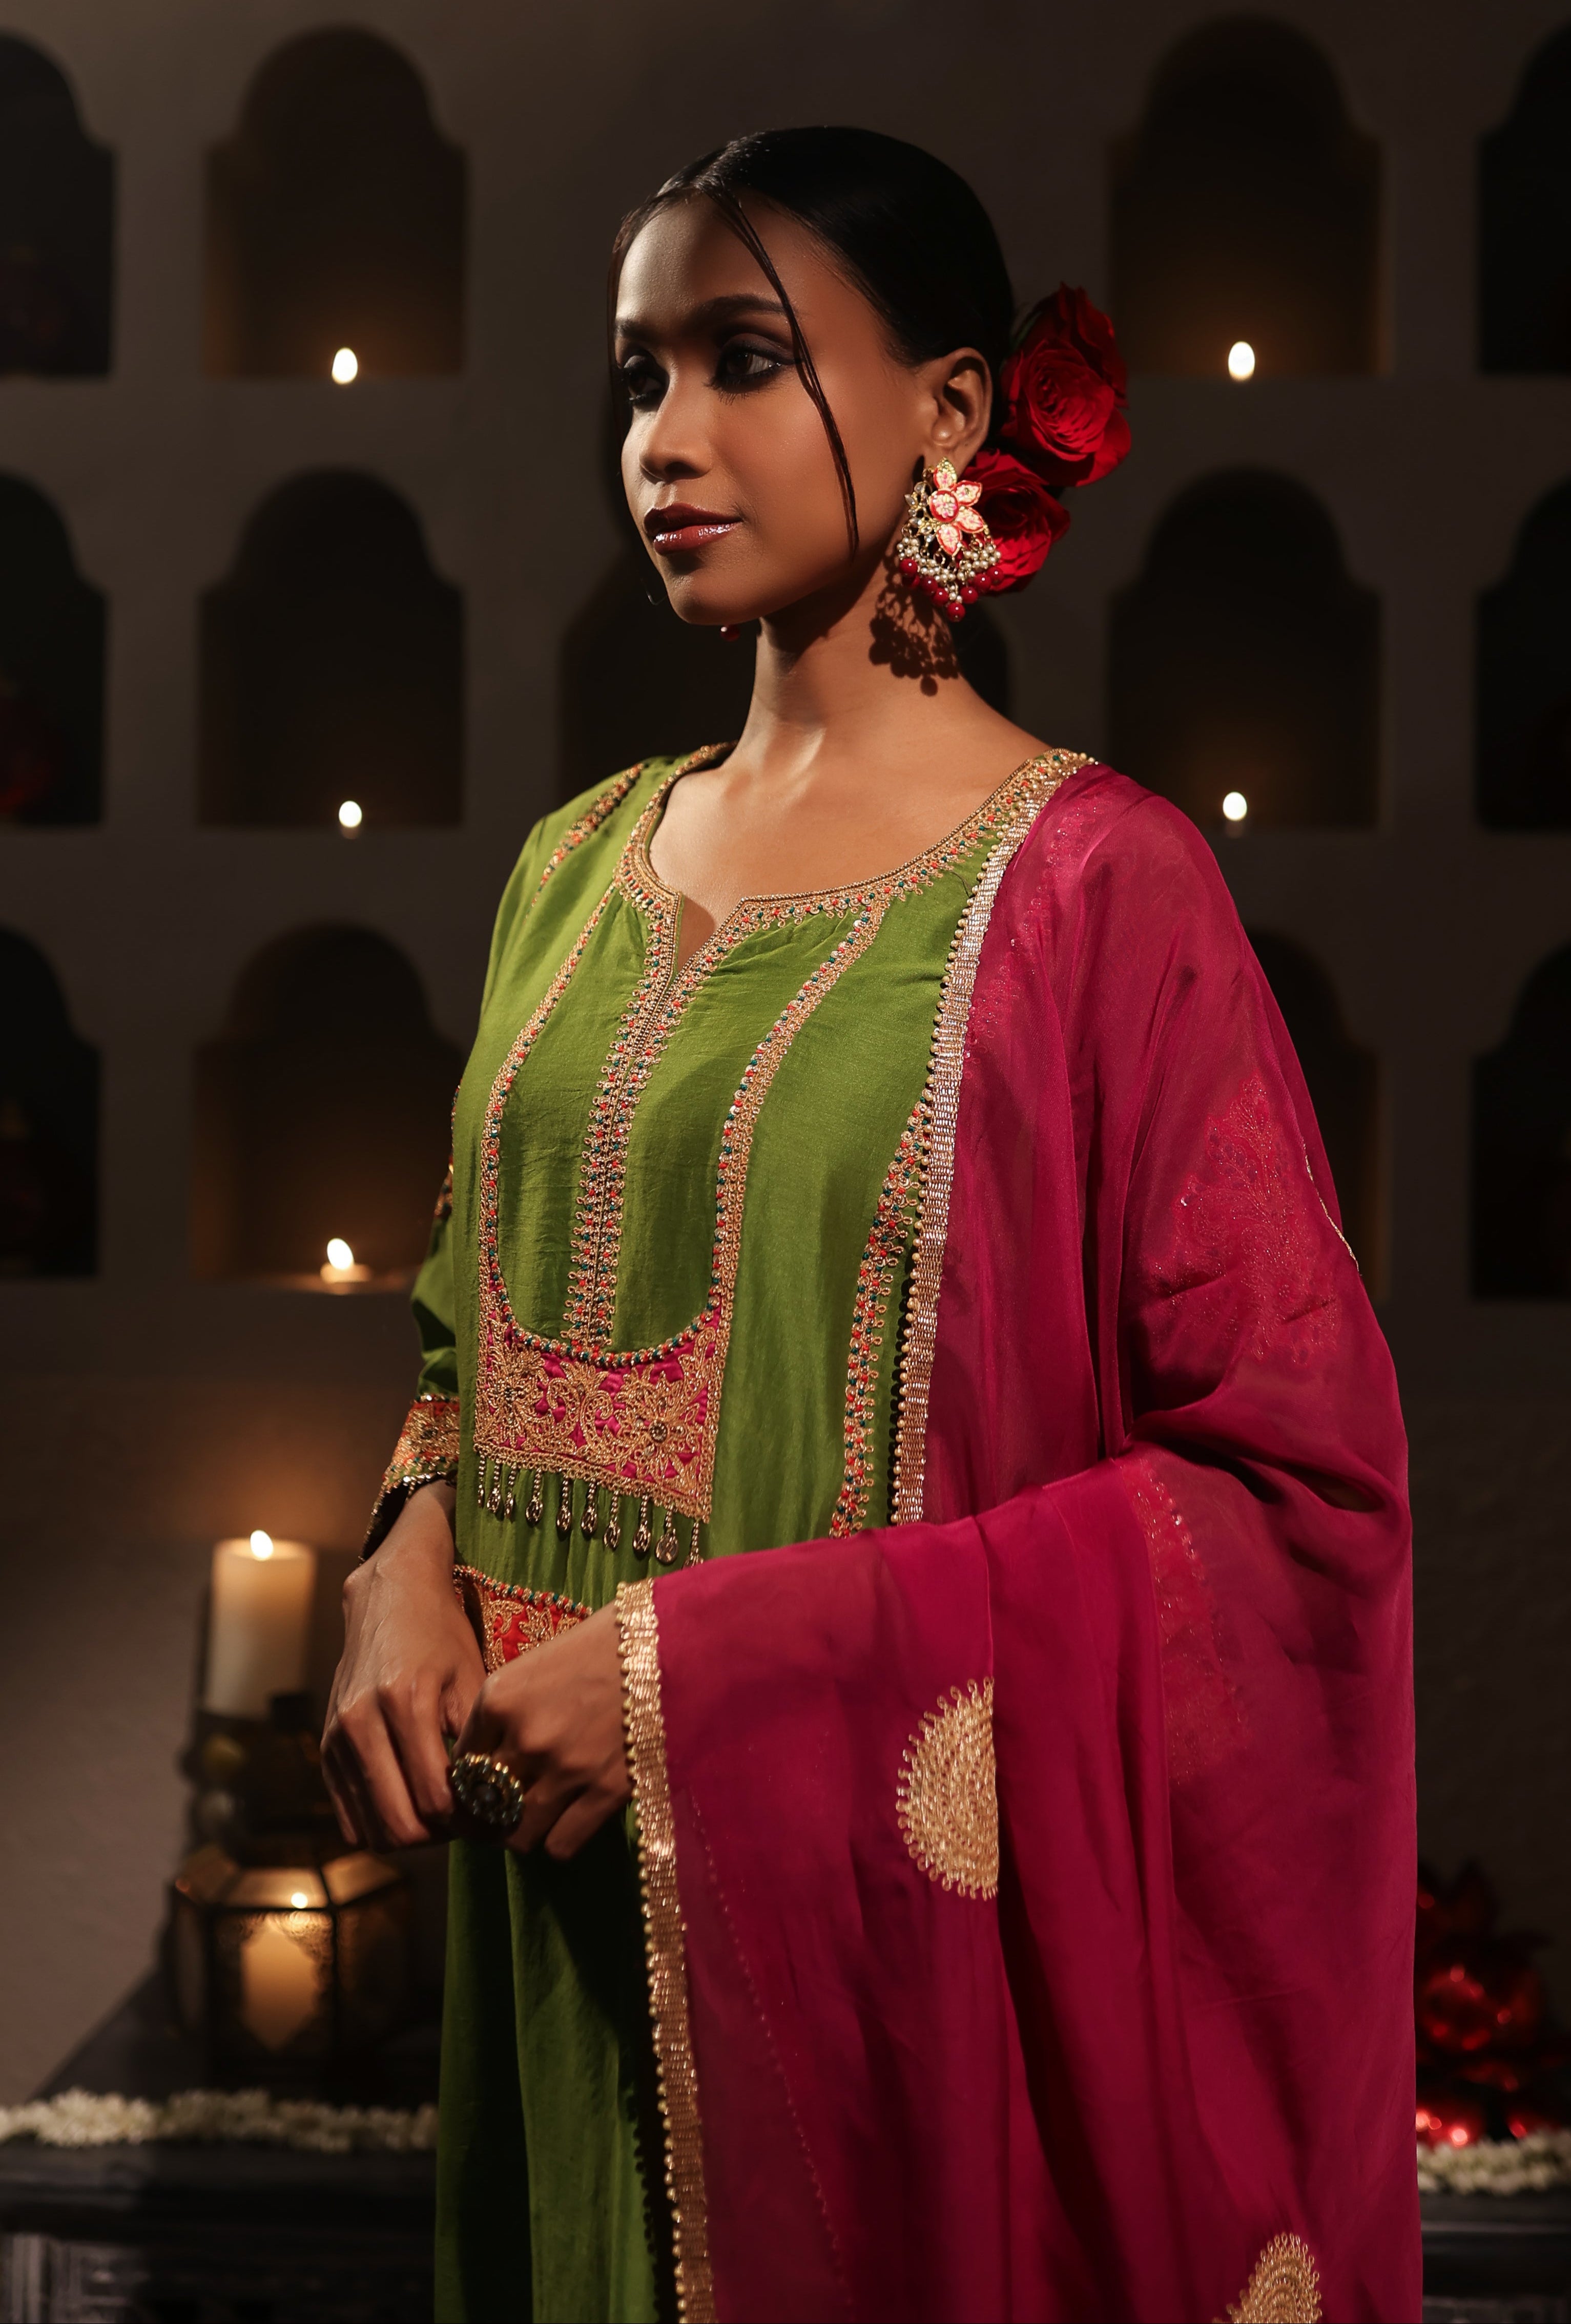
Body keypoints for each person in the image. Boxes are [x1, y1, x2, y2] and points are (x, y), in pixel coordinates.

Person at [321, 127, 1418, 2324]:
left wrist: (705, 1684)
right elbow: (468, 1355)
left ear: (946, 412)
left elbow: (1290, 1494)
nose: (669, 441)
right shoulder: (570, 865)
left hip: (863, 1961)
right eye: (635, 377)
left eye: (743, 361)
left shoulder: (1102, 896)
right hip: (541, 1941)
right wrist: (395, 1565)